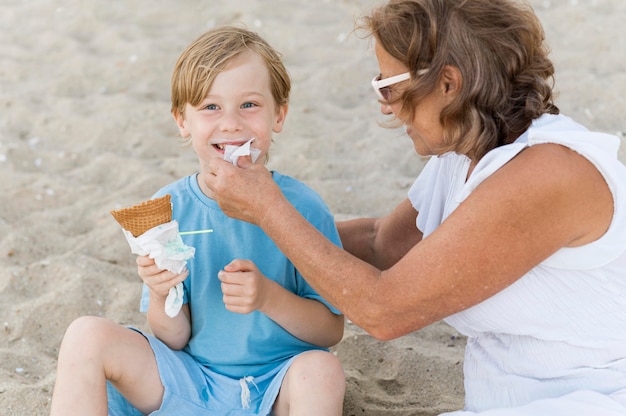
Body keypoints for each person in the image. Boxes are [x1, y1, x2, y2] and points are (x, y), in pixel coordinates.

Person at [204, 1, 626, 415]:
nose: (385, 105)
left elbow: (384, 310)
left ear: (448, 83)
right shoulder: (465, 152)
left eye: (388, 86)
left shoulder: (549, 173)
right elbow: (381, 244)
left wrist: (271, 211)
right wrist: (237, 234)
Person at [49, 26, 345, 416]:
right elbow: (173, 338)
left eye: (250, 105)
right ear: (182, 122)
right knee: (85, 335)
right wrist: (161, 293)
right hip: (192, 382)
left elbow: (330, 330)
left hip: (278, 389)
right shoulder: (169, 208)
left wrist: (269, 298)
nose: (231, 123)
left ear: (280, 115)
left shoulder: (304, 208)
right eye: (210, 107)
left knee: (323, 370)